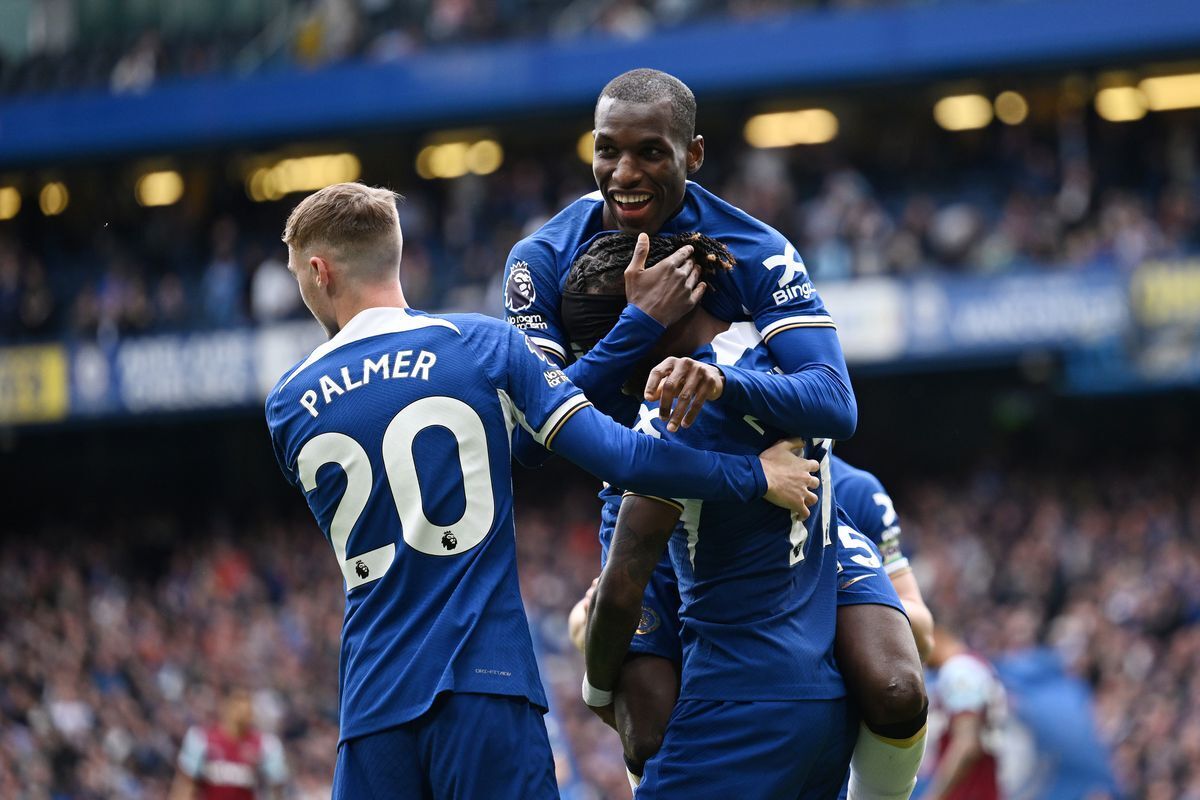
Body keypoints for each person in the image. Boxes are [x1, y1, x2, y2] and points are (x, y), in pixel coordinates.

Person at [264, 182, 823, 799]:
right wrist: (753, 475)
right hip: (486, 680)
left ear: (318, 271)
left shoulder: (288, 403)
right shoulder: (479, 345)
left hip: (372, 704)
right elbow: (624, 456)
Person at [512, 68, 926, 795]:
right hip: (640, 491)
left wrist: (722, 385)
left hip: (773, 497)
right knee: (647, 728)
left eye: (650, 152)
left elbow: (836, 402)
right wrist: (637, 326)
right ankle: (605, 658)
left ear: (693, 155)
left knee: (897, 688)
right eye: (608, 150)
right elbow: (527, 439)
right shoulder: (543, 260)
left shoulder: (753, 249)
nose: (625, 173)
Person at [576, 232, 881, 797]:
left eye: (611, 326)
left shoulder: (675, 407)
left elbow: (620, 592)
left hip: (733, 708)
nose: (610, 347)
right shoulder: (789, 362)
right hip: (823, 708)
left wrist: (595, 687)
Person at [920, 625, 1007, 800]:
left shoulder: (960, 671)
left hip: (968, 791)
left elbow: (967, 744)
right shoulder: (971, 664)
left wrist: (933, 796)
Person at [169, 686, 288, 800]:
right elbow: (185, 786)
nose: (244, 708)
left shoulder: (266, 745)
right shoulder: (201, 739)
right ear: (224, 705)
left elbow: (276, 790)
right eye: (238, 701)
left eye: (248, 702)